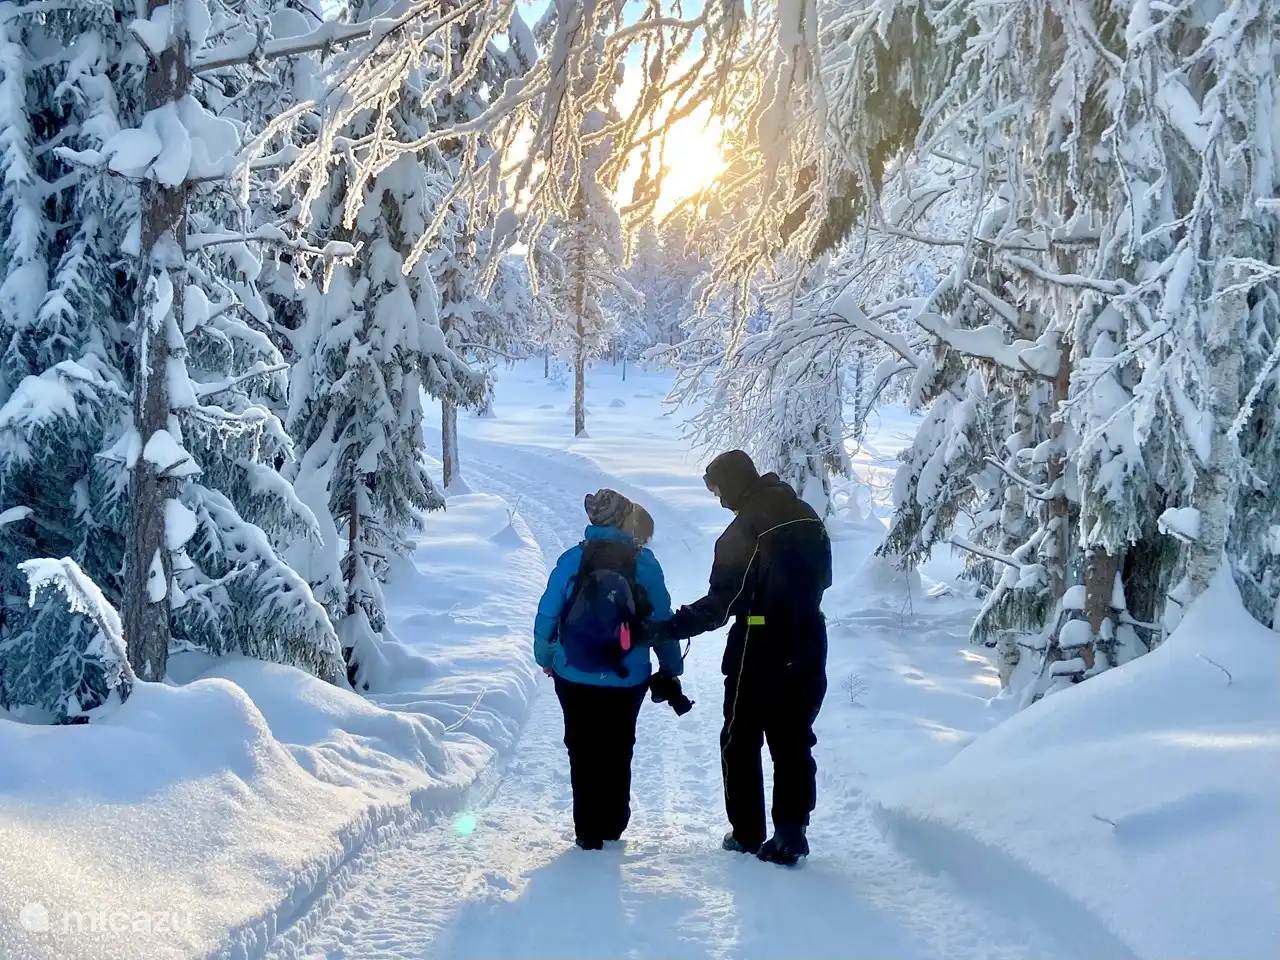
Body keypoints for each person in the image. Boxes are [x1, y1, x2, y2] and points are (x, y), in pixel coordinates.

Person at [656, 450, 832, 866]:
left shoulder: (743, 530)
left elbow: (723, 603)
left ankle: (747, 833)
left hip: (760, 642)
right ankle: (791, 833)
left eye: (718, 490)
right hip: (809, 635)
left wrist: (672, 625)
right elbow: (825, 577)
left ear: (734, 483)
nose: (719, 500)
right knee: (793, 737)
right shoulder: (807, 514)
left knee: (740, 737)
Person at [534, 489, 684, 850]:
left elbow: (548, 613)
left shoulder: (572, 560)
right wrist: (671, 667)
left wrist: (546, 657)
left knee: (582, 746)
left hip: (574, 672)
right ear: (623, 520)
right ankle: (613, 824)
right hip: (627, 675)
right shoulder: (644, 563)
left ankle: (587, 829)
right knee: (618, 745)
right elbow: (661, 620)